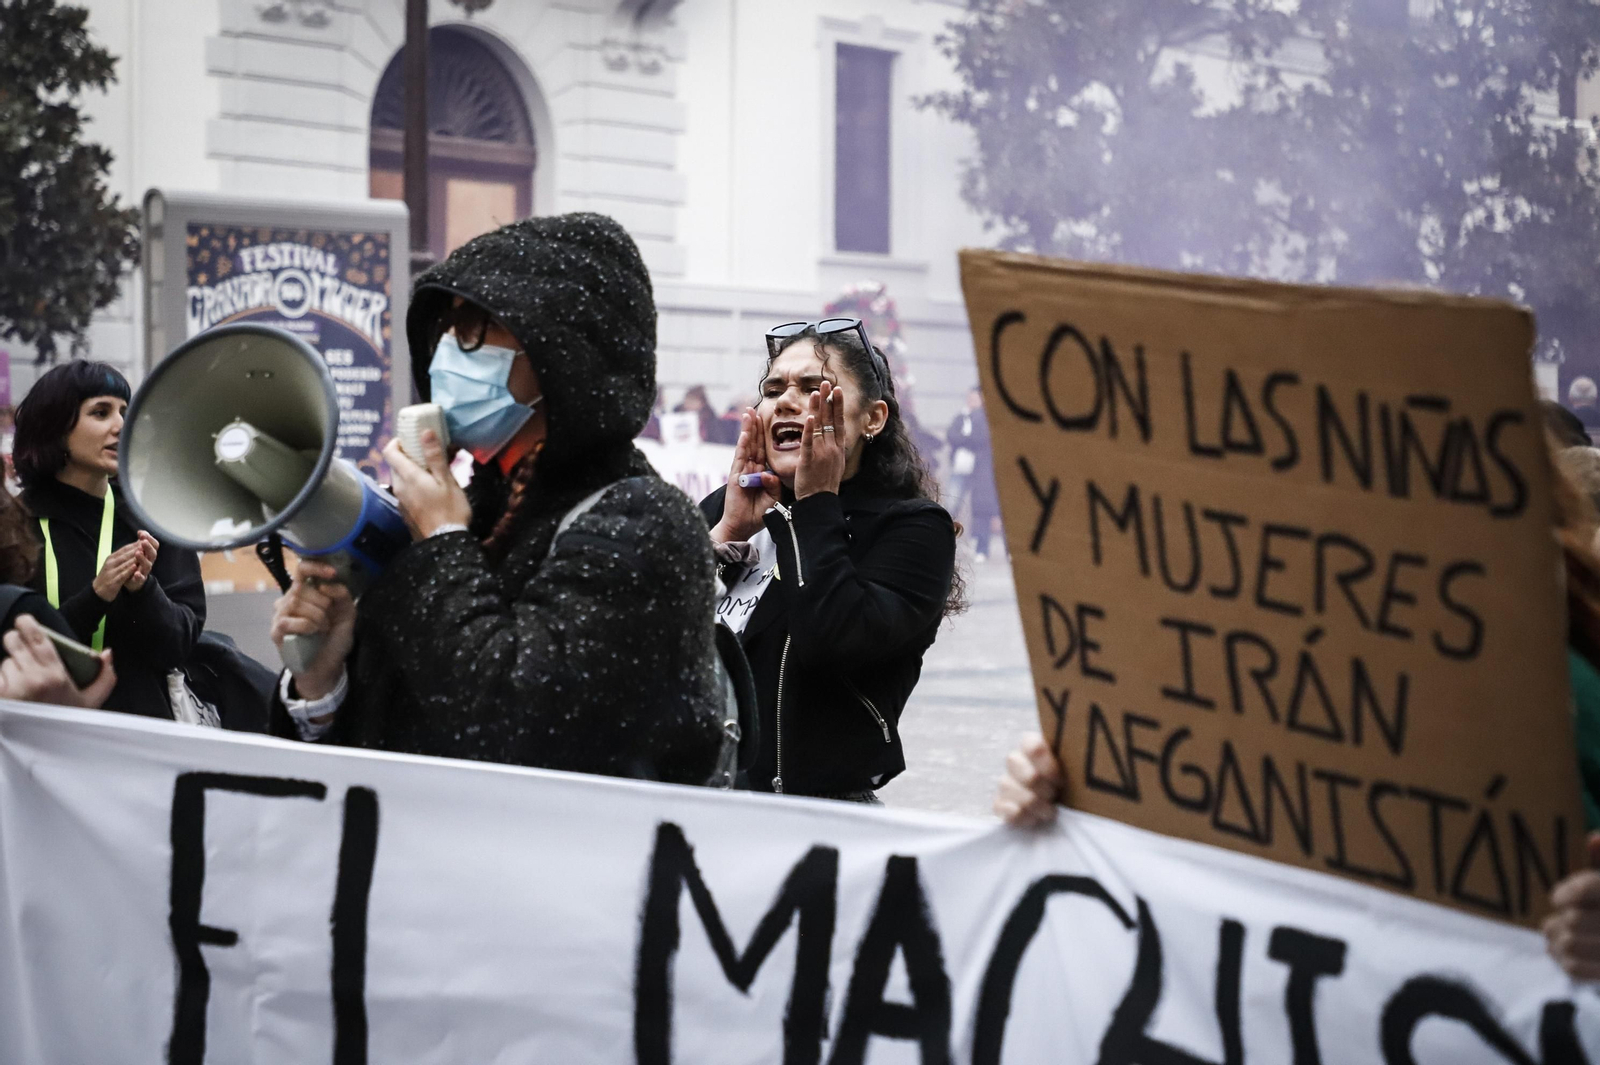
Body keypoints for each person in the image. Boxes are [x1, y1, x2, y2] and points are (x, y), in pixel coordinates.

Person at [269, 213, 725, 784]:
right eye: (444, 330)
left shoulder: (644, 523)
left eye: (472, 331)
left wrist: (442, 541)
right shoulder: (474, 514)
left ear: (561, 353)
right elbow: (393, 738)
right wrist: (322, 685)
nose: (445, 354)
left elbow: (517, 730)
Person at [702, 318, 961, 800]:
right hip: (691, 799)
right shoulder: (728, 509)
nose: (785, 401)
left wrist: (816, 504)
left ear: (873, 419)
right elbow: (643, 637)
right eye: (773, 389)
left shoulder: (913, 528)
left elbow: (832, 640)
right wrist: (724, 536)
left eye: (812, 388)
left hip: (810, 813)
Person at [13, 361, 204, 719]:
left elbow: (179, 645)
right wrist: (97, 596)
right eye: (101, 413)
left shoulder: (154, 518)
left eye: (125, 413)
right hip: (38, 732)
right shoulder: (14, 525)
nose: (121, 426)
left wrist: (143, 589)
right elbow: (14, 646)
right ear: (55, 427)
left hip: (138, 738)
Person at [947, 387, 1001, 560]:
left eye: (975, 398)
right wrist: (966, 439)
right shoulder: (961, 416)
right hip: (961, 468)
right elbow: (951, 435)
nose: (972, 402)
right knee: (952, 504)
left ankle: (979, 545)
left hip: (980, 469)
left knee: (981, 507)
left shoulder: (983, 417)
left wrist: (964, 440)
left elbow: (980, 438)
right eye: (970, 398)